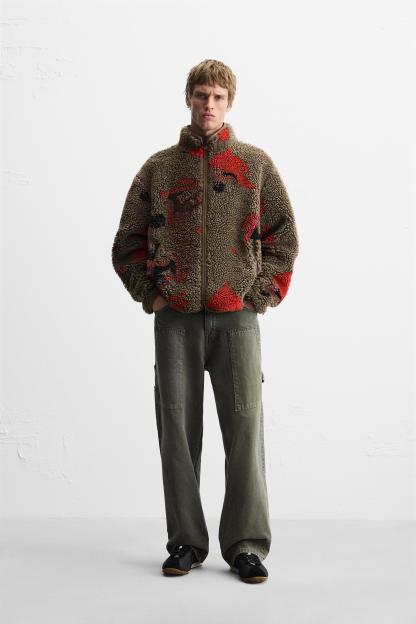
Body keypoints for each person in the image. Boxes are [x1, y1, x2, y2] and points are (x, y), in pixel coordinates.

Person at [111, 59, 299, 583]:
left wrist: (259, 295)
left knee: (245, 428)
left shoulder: (254, 165)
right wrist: (152, 295)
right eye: (201, 95)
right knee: (176, 429)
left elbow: (283, 237)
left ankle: (246, 545)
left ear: (229, 102)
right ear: (188, 99)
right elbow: (127, 242)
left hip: (237, 319)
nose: (209, 104)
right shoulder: (159, 168)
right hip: (175, 320)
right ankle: (186, 543)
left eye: (217, 96)